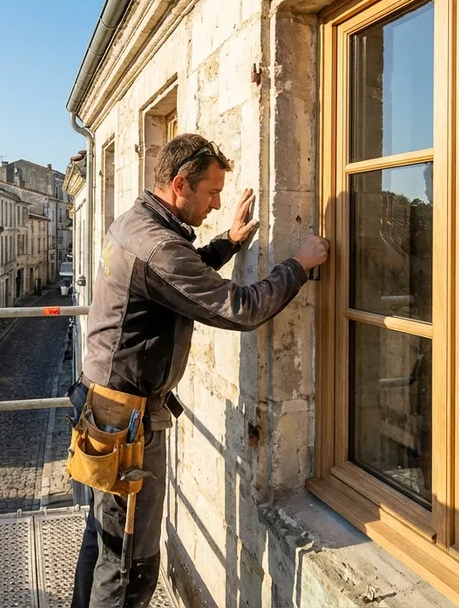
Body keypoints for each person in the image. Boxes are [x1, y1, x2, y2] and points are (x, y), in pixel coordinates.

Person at [69, 133, 330, 607]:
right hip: (126, 427)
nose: (216, 203)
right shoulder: (158, 246)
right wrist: (298, 264)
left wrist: (228, 242)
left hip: (105, 410)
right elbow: (241, 308)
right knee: (130, 564)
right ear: (179, 184)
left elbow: (179, 274)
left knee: (103, 541)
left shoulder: (138, 224)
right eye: (211, 192)